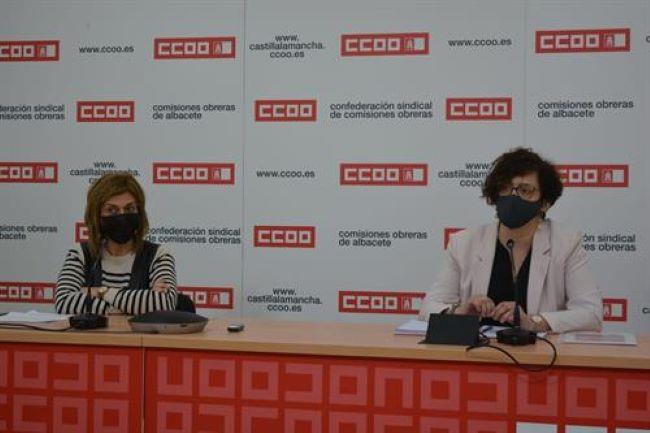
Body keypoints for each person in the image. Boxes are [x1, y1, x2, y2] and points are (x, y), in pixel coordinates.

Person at [419, 148, 602, 333]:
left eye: (525, 190)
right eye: (505, 188)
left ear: (545, 203)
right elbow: (428, 308)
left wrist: (535, 323)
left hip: (537, 350)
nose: (513, 197)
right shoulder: (464, 243)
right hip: (478, 348)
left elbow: (591, 314)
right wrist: (459, 312)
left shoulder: (566, 244)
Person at [55, 173, 178, 315]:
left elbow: (163, 304)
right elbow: (64, 302)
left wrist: (102, 292)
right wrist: (133, 308)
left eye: (129, 209)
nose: (121, 216)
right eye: (111, 210)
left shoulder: (158, 256)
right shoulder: (80, 254)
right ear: (96, 216)